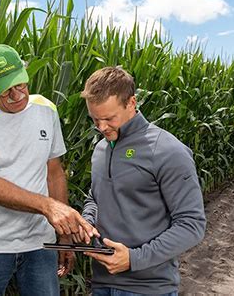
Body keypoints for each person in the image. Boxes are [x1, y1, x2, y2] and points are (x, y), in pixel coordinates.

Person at [0, 44, 98, 296]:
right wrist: (49, 207)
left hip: (39, 243)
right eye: (6, 90)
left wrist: (63, 235)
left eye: (20, 84)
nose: (17, 94)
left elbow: (54, 172)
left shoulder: (46, 108)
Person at [78, 66, 206, 295]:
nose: (101, 127)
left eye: (109, 118)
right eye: (95, 120)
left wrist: (134, 259)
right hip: (102, 285)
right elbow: (96, 197)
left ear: (131, 103)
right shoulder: (100, 149)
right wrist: (88, 221)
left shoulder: (167, 151)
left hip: (148, 288)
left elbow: (192, 224)